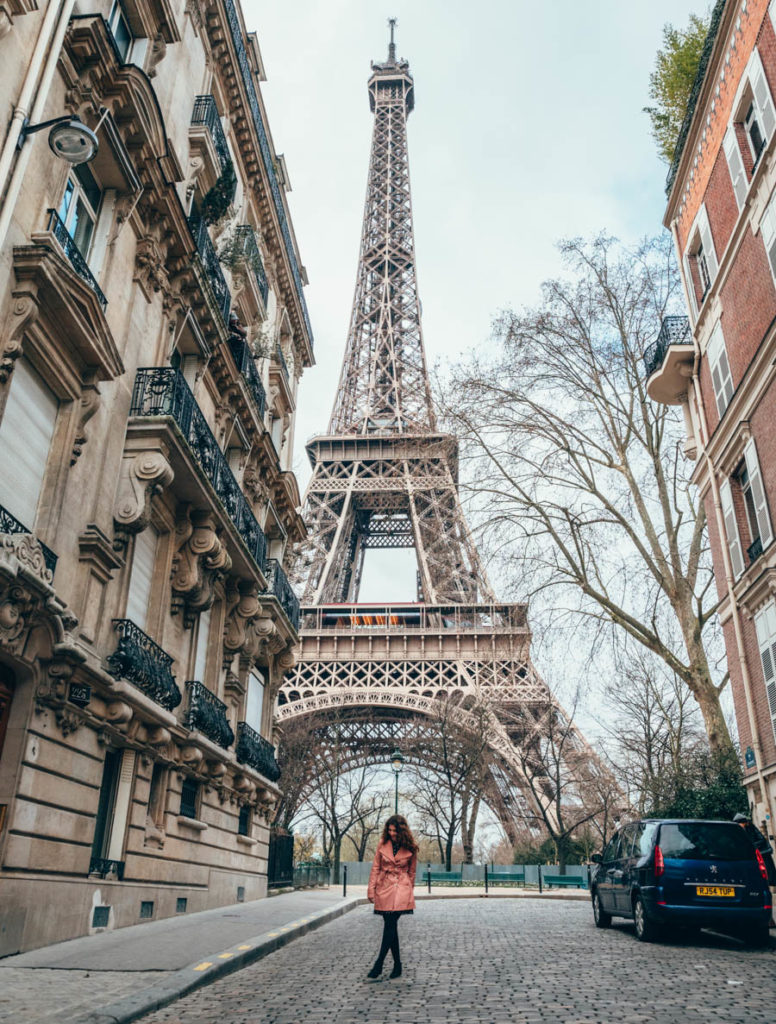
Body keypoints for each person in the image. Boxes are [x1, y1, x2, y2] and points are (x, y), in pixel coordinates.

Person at [366, 814, 418, 979]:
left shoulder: (411, 847)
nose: (391, 833)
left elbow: (412, 872)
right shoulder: (383, 844)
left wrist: (407, 889)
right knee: (391, 927)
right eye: (389, 830)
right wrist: (371, 889)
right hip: (385, 886)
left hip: (401, 888)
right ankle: (397, 966)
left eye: (394, 831)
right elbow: (375, 867)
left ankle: (379, 964)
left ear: (401, 831)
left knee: (390, 924)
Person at [733, 812, 776, 886]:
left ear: (744, 823)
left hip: (763, 851)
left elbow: (761, 840)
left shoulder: (751, 828)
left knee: (768, 870)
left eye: (740, 824)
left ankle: (772, 885)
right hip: (755, 853)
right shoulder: (741, 831)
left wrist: (751, 845)